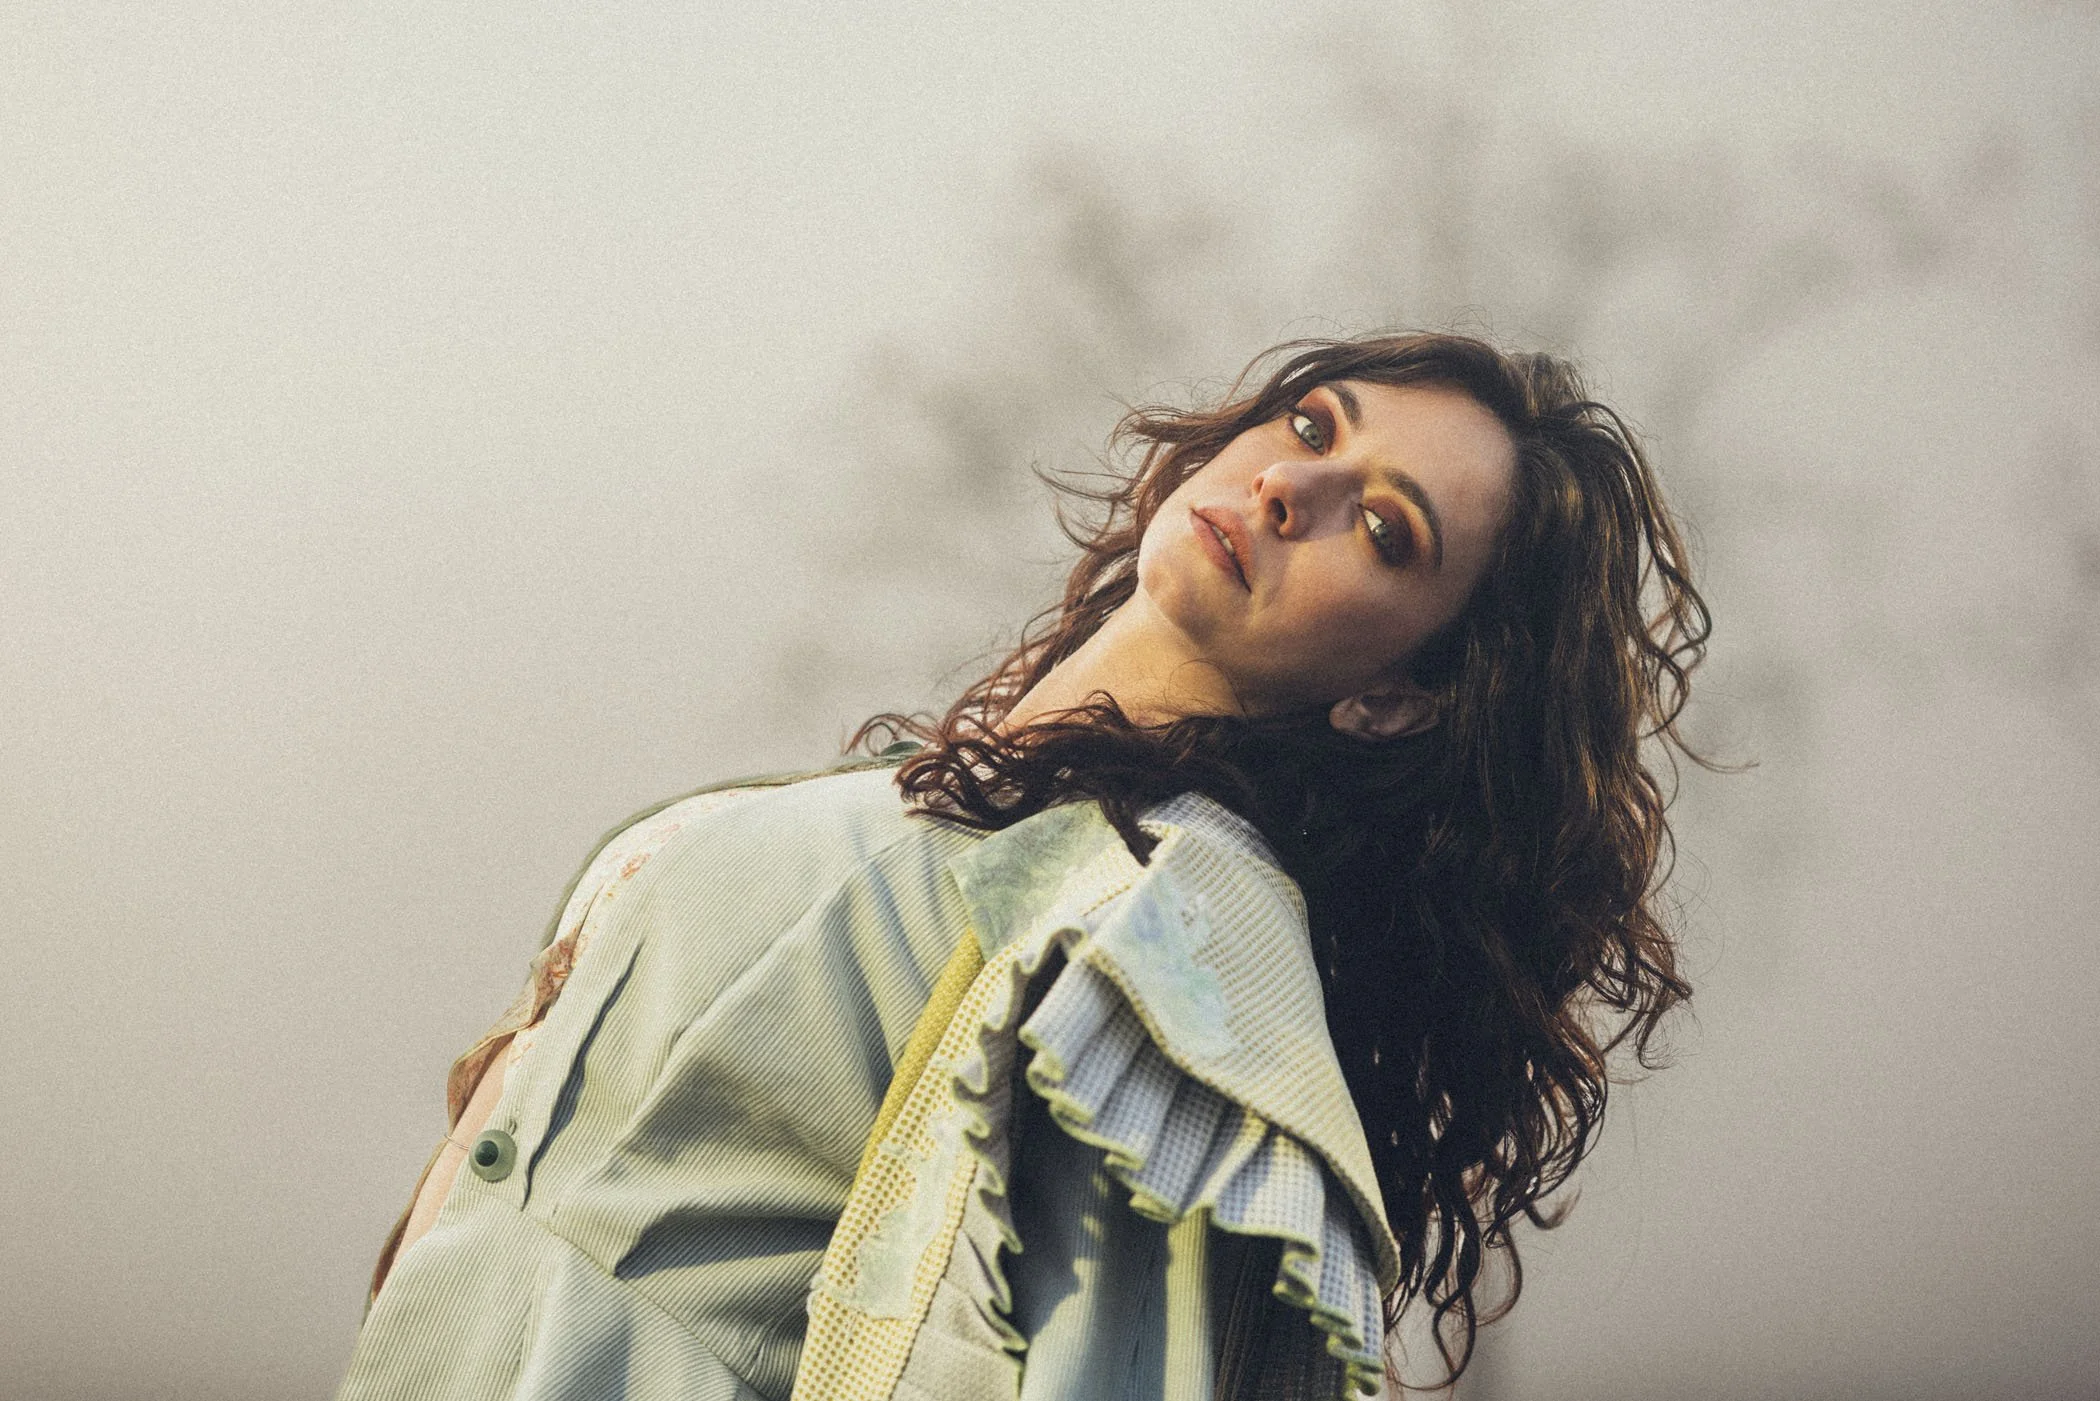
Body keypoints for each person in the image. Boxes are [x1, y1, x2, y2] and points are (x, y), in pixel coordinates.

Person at [335, 331, 1708, 1401]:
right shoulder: (924, 811)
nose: (1294, 486)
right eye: (1311, 425)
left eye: (1385, 528)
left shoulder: (1177, 929)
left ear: (1400, 698)